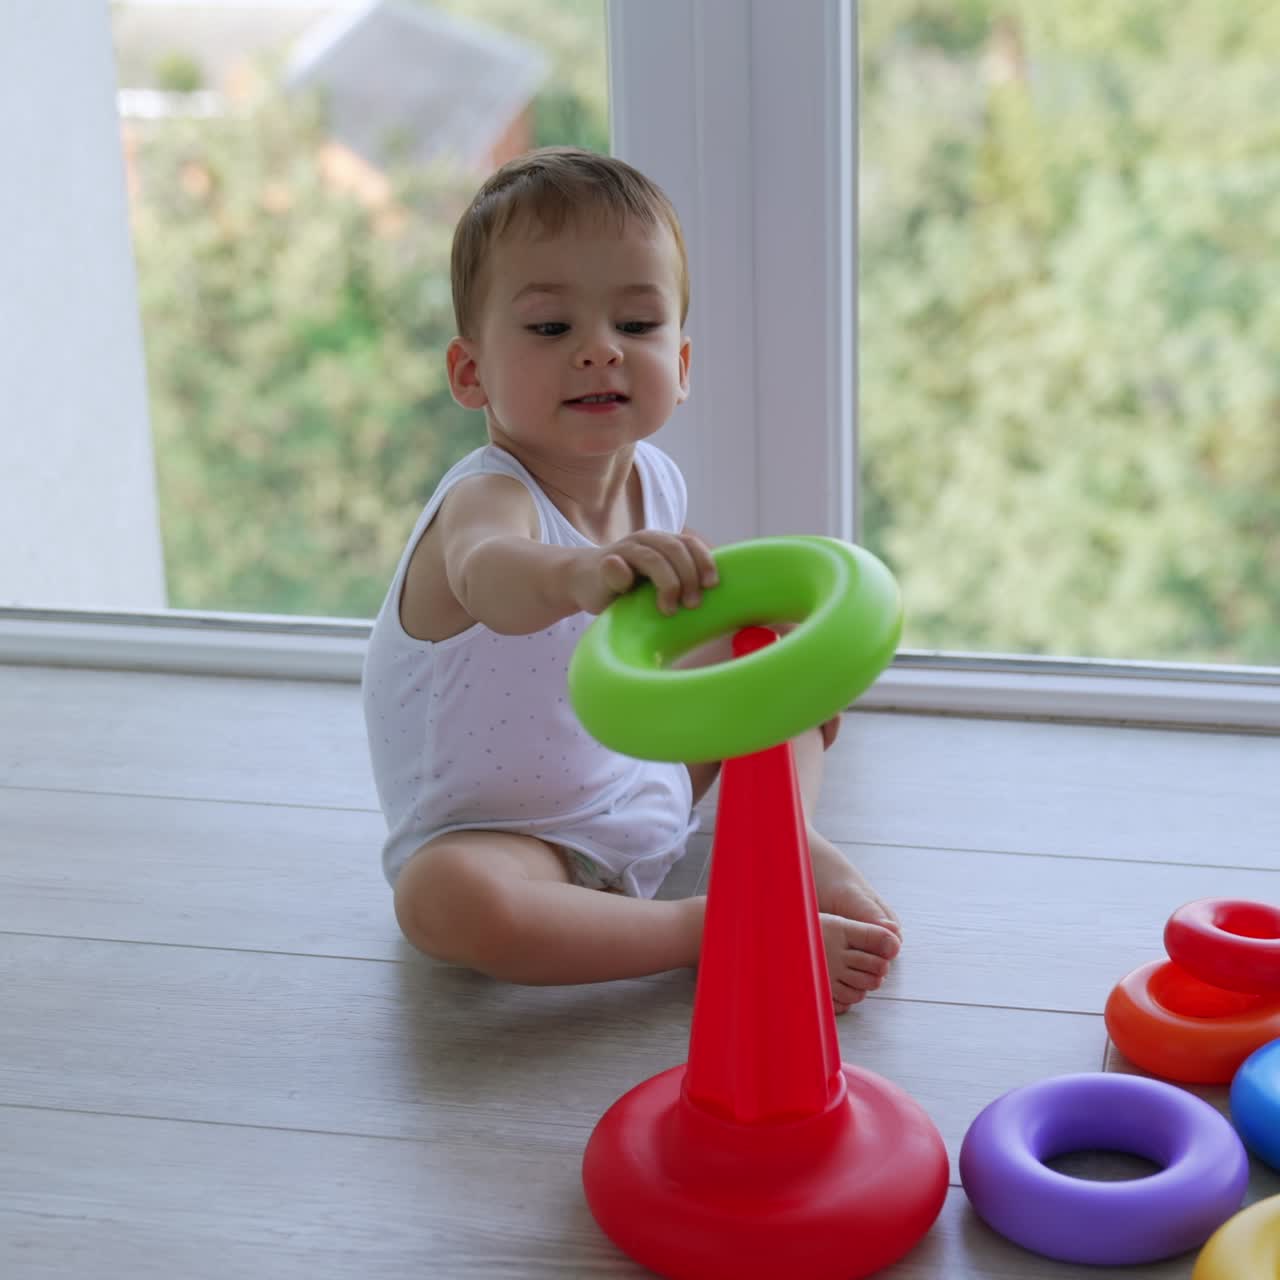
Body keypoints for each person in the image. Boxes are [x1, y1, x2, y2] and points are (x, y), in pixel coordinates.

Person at [362, 147, 900, 1013]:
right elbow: (490, 576)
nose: (599, 352)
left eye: (637, 326)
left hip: (636, 785)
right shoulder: (489, 501)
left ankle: (783, 840)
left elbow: (685, 632)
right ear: (472, 374)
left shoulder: (656, 480)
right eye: (550, 329)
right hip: (512, 841)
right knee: (442, 903)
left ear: (681, 365)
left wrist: (751, 650)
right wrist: (577, 573)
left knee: (771, 644)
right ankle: (715, 928)